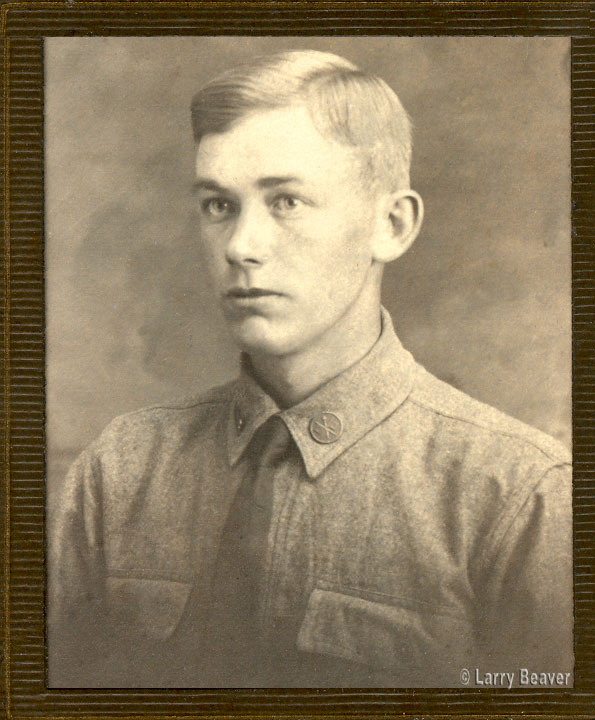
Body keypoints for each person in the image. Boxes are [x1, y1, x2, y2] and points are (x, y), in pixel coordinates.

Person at [49, 50, 572, 688]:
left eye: (287, 201)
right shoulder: (120, 470)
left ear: (391, 224)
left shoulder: (518, 496)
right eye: (219, 205)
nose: (241, 247)